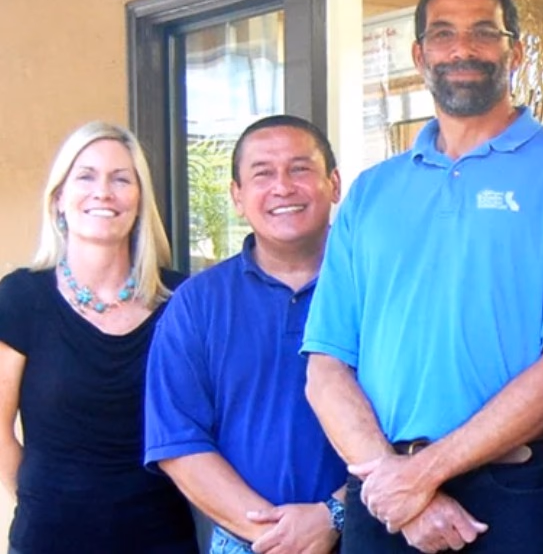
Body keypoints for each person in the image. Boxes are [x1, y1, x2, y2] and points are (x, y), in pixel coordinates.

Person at [302, 0, 543, 552]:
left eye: (484, 32)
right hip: (381, 493)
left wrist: (421, 477)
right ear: (419, 54)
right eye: (443, 34)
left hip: (513, 490)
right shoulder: (371, 192)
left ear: (515, 53)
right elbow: (325, 370)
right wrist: (400, 486)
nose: (463, 49)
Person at [144, 115, 347, 554]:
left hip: (371, 534)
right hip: (246, 544)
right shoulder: (197, 303)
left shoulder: (381, 289)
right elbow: (178, 441)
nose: (283, 187)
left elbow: (417, 422)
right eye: (262, 174)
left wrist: (334, 514)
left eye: (300, 169)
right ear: (237, 196)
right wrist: (277, 536)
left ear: (334, 183)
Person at [0, 121, 197, 553]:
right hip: (48, 540)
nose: (103, 192)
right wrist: (44, 500)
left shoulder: (182, 300)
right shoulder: (20, 297)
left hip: (161, 540)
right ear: (58, 198)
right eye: (86, 177)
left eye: (121, 179)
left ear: (140, 200)